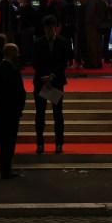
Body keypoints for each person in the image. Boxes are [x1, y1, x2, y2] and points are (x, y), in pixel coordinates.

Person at [0, 43, 27, 179]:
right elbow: (20, 93)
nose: (19, 55)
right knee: (9, 141)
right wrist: (20, 108)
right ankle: (6, 168)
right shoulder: (14, 71)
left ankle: (3, 166)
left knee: (1, 139)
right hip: (11, 111)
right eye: (17, 53)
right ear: (12, 54)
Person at [32, 14, 70, 154]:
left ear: (55, 27)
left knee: (57, 114)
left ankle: (59, 143)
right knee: (40, 114)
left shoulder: (63, 42)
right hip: (42, 82)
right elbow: (35, 62)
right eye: (46, 27)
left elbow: (63, 63)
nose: (48, 30)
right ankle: (40, 143)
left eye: (51, 27)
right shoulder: (38, 42)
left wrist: (51, 77)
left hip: (55, 81)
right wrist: (45, 77)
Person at [17, 0, 37, 66]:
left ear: (24, 0)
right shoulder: (33, 8)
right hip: (31, 28)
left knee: (24, 46)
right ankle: (31, 60)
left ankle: (24, 61)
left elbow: (21, 18)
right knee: (31, 45)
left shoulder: (22, 9)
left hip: (25, 29)